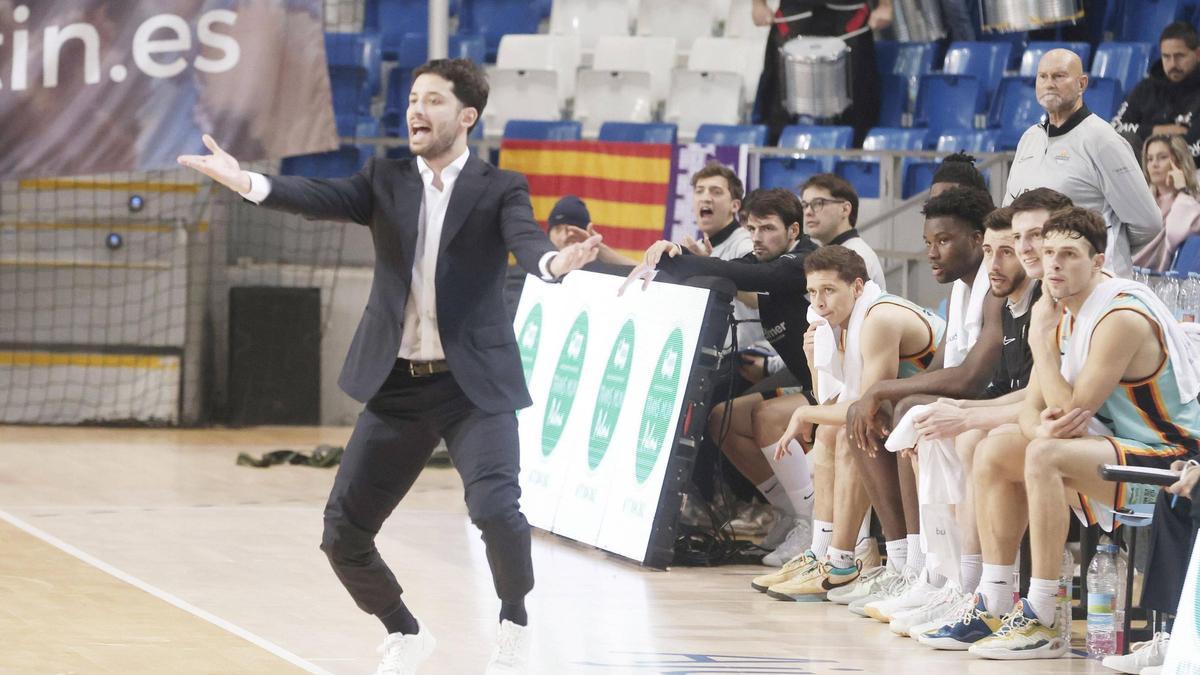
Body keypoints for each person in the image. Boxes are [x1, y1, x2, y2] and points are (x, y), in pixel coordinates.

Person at [178, 58, 601, 675]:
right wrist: (246, 180)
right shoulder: (385, 178)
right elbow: (317, 197)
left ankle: (514, 621)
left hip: (472, 387)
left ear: (466, 116)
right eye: (412, 99)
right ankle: (404, 632)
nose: (415, 111)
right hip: (398, 385)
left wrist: (555, 266)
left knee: (495, 510)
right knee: (342, 534)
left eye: (432, 100)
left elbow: (529, 243)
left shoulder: (500, 187)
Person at [968, 207, 1200, 661]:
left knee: (1044, 456)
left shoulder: (1119, 317)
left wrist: (1039, 343)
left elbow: (1072, 411)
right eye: (1048, 252)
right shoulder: (1060, 310)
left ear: (1097, 262)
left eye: (1069, 254)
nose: (1054, 264)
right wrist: (1041, 427)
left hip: (1173, 456)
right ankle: (994, 600)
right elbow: (1033, 412)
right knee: (994, 449)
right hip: (1119, 447)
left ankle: (1042, 615)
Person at [622, 188, 821, 565]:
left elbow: (741, 273)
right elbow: (728, 268)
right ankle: (790, 511)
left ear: (793, 230)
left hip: (841, 388)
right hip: (809, 382)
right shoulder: (768, 259)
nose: (758, 237)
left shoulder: (804, 261)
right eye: (752, 229)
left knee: (766, 417)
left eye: (768, 228)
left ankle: (811, 522)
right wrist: (677, 255)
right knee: (722, 418)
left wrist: (683, 261)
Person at [845, 187, 1003, 627]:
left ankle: (933, 573)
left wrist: (885, 390)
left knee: (909, 409)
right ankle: (904, 562)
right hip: (972, 399)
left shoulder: (993, 287)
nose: (932, 253)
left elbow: (971, 377)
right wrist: (879, 397)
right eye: (928, 242)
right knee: (865, 413)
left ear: (977, 239)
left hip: (994, 399)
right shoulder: (960, 289)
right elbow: (940, 367)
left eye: (943, 241)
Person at [752, 245, 944, 601]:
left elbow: (864, 407)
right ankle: (822, 552)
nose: (819, 301)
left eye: (828, 290)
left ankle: (844, 559)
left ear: (857, 287)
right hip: (903, 410)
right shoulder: (835, 323)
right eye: (812, 292)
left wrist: (802, 413)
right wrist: (812, 358)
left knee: (848, 433)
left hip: (941, 407)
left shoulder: (878, 319)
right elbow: (830, 401)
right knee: (830, 431)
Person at [1004, 49, 1162, 279]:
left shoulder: (1103, 140)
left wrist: (1102, 249)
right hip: (1043, 283)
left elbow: (1148, 223)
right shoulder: (1029, 138)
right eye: (1043, 76)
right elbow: (1010, 213)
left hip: (1094, 282)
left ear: (1082, 84)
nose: (1049, 84)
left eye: (1059, 76)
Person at [751, 0, 893, 146]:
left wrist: (885, 6)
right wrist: (758, 5)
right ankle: (775, 155)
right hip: (794, 12)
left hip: (850, 12)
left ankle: (855, 156)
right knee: (777, 100)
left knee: (860, 99)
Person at [1112, 21, 1200, 159]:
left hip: (1188, 166)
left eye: (1180, 56)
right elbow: (1116, 128)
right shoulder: (1146, 87)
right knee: (1125, 141)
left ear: (1198, 54)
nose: (1173, 64)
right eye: (1166, 56)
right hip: (1144, 164)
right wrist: (1158, 130)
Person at [799, 173, 887, 288]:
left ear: (845, 209)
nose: (808, 212)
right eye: (805, 205)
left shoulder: (857, 257)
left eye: (818, 203)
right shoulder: (837, 253)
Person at [1134, 134, 1200, 271]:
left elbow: (1175, 233)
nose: (1154, 164)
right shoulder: (1140, 200)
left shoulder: (1191, 201)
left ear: (1179, 162)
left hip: (1157, 279)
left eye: (1162, 157)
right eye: (1149, 159)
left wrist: (1182, 190)